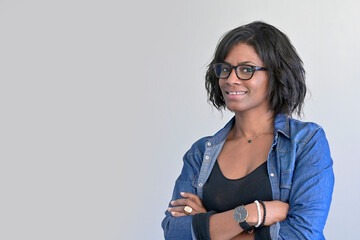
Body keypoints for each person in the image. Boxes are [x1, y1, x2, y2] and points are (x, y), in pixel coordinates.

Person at [161, 21, 334, 240]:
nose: (231, 79)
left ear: (275, 75)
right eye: (225, 69)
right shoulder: (200, 153)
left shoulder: (305, 143)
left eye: (246, 69)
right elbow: (174, 232)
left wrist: (209, 227)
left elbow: (302, 235)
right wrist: (254, 213)